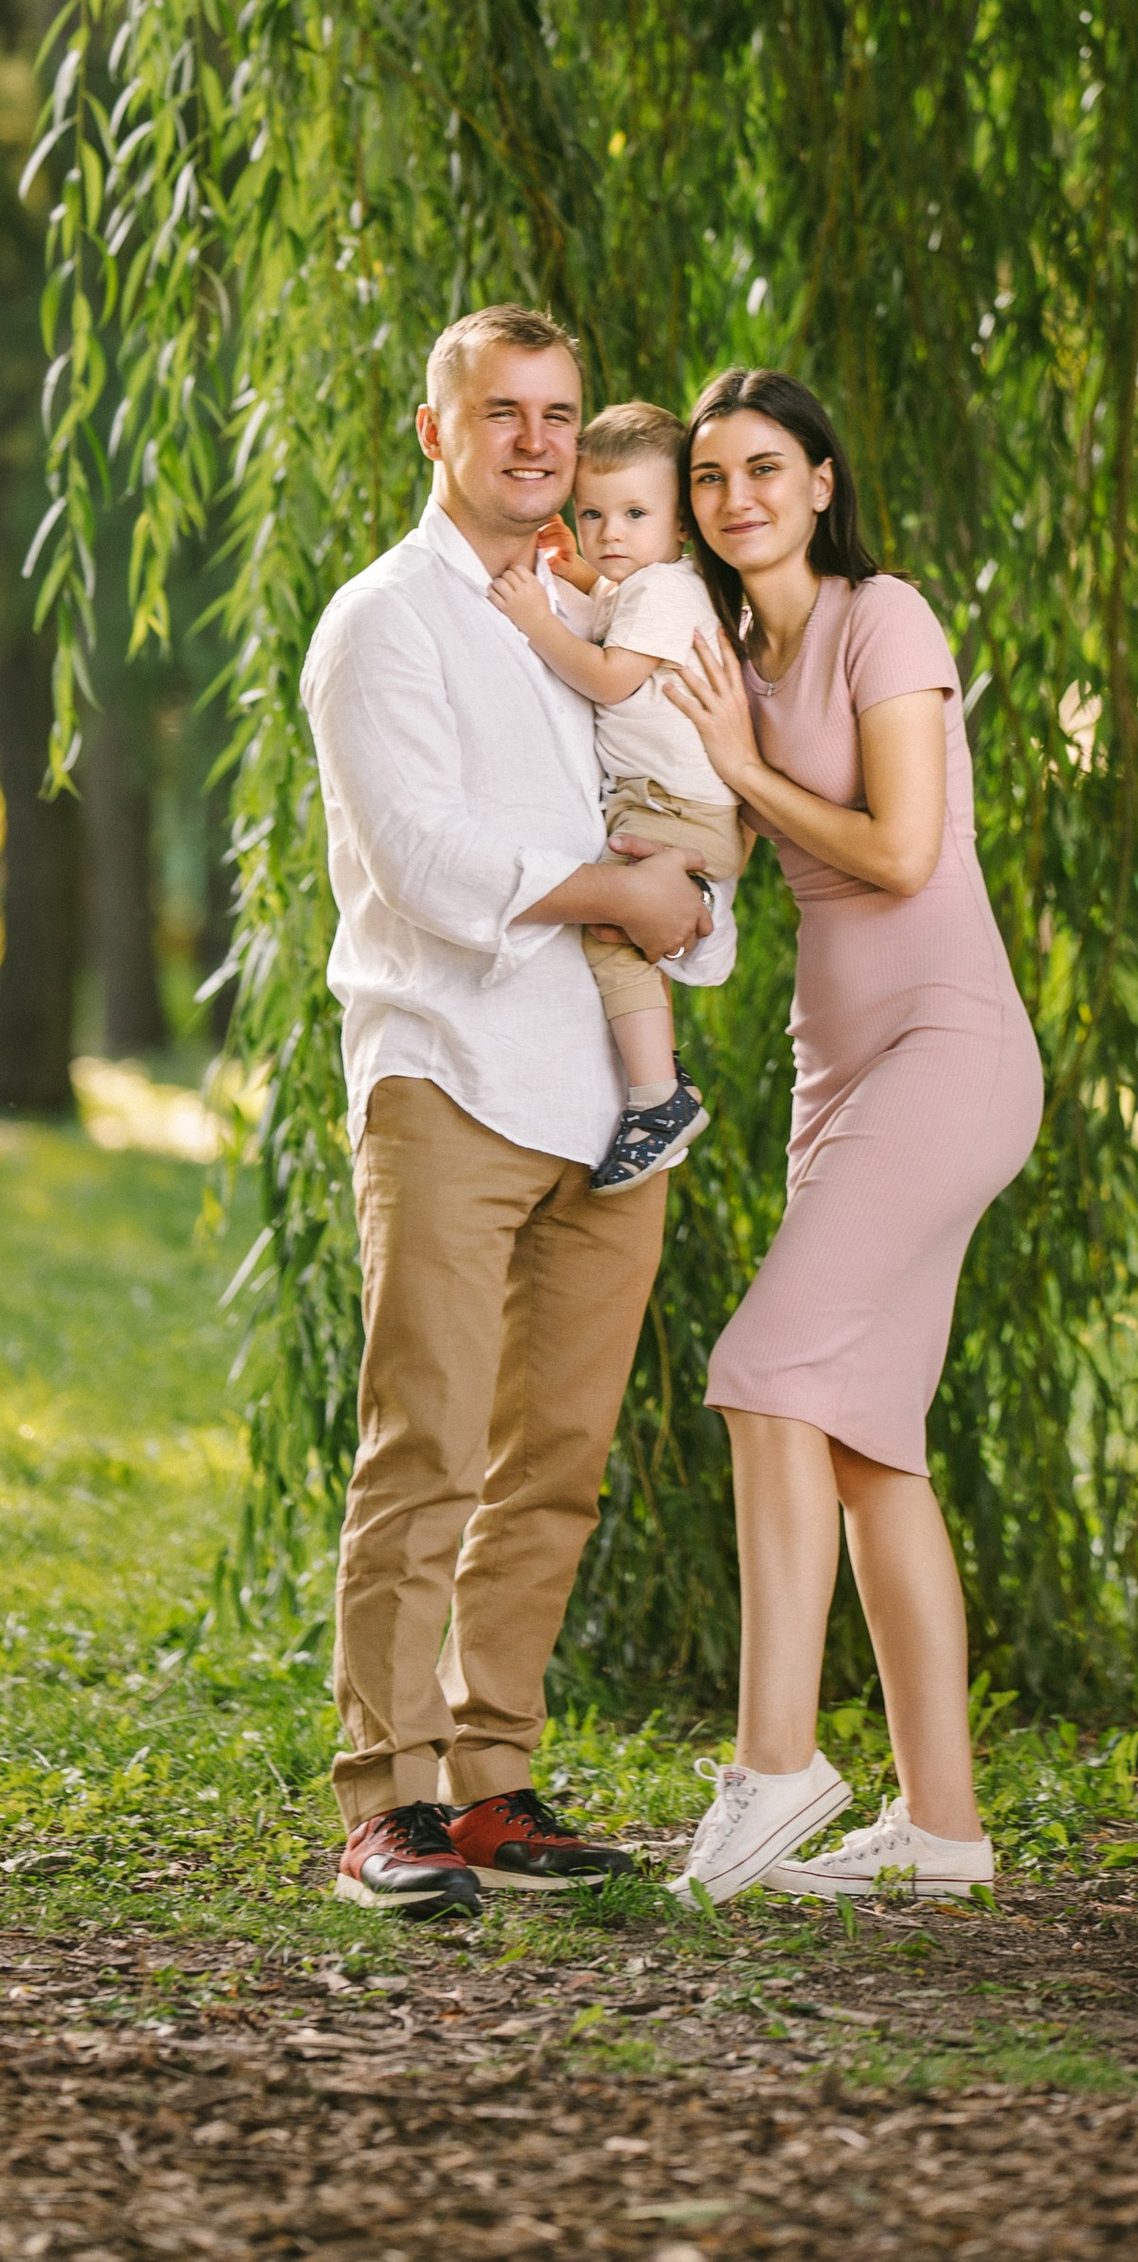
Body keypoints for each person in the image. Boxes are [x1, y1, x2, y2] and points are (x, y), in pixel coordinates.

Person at [298, 304, 735, 1918]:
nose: (538, 440)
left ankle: (492, 1786)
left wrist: (687, 898)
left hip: (609, 1100)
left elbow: (677, 815)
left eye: (559, 414)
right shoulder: (384, 623)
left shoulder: (601, 612)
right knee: (426, 1449)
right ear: (438, 429)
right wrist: (622, 888)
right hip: (450, 1076)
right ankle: (385, 1799)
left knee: (555, 1461)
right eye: (504, 412)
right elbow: (426, 861)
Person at [658, 367, 1043, 1906]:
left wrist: (744, 772)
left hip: (950, 1052)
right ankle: (941, 1831)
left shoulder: (888, 615)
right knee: (878, 1451)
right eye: (709, 480)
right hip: (838, 1073)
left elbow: (899, 846)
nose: (737, 497)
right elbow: (708, 847)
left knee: (760, 1372)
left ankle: (777, 1765)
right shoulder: (725, 654)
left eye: (766, 468)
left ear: (823, 479)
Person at [485, 398, 751, 1194]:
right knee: (617, 929)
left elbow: (606, 673)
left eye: (635, 513)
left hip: (677, 810)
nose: (608, 533)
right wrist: (575, 576)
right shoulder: (645, 587)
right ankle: (658, 1080)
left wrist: (538, 617)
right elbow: (613, 605)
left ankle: (658, 1097)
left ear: (679, 528)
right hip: (665, 804)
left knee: (611, 932)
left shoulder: (669, 590)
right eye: (593, 512)